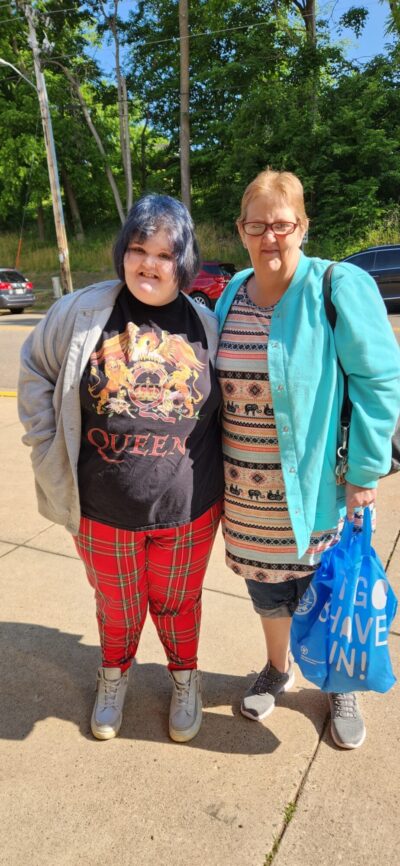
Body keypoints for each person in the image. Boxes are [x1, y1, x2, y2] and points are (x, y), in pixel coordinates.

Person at [18, 193, 224, 743]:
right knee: (116, 605)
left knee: (179, 605)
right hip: (101, 508)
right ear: (123, 253)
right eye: (138, 249)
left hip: (188, 507)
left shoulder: (207, 324)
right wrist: (45, 448)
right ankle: (113, 676)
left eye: (164, 254)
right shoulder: (81, 312)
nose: (149, 264)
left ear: (183, 262)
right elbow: (35, 369)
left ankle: (185, 678)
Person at [215, 169, 400, 750]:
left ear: (303, 226)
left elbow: (378, 381)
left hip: (319, 486)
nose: (270, 237)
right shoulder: (232, 290)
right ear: (241, 230)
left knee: (328, 590)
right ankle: (278, 668)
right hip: (246, 492)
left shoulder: (336, 285)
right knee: (268, 593)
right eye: (257, 225)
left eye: (282, 224)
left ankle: (339, 683)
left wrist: (365, 470)